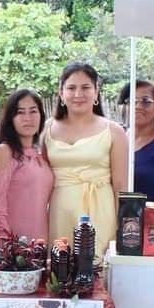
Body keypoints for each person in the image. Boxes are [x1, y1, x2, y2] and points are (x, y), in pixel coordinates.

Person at [43, 62, 128, 250]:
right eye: (71, 88)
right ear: (61, 93)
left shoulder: (114, 131)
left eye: (85, 87)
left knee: (97, 263)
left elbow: (121, 186)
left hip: (100, 211)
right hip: (59, 212)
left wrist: (122, 229)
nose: (78, 94)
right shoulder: (46, 129)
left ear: (96, 92)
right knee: (59, 262)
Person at [0, 88, 54, 243]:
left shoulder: (40, 153)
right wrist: (8, 247)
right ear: (11, 118)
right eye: (20, 112)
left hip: (40, 244)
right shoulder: (4, 152)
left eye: (33, 111)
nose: (27, 118)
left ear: (41, 116)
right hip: (12, 246)